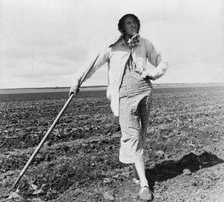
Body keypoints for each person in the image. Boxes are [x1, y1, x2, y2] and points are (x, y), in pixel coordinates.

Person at [69, 14, 168, 200]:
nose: (133, 25)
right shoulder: (112, 46)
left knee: (141, 134)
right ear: (122, 27)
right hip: (124, 97)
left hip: (144, 92)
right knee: (133, 135)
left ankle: (137, 174)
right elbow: (92, 64)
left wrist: (153, 73)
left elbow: (162, 61)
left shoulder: (145, 43)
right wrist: (76, 82)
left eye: (135, 23)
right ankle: (145, 185)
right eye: (128, 23)